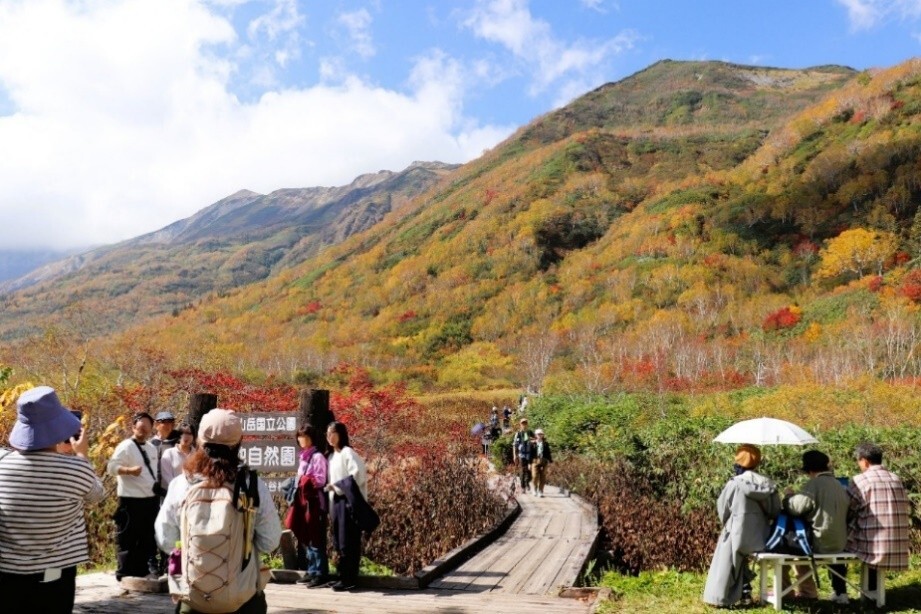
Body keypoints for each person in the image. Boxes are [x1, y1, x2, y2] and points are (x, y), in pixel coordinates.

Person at [155, 408, 281, 614]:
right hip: (242, 598)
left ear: (199, 441)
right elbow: (270, 541)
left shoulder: (182, 483)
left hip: (193, 597)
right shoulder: (251, 485)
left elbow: (165, 538)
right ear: (238, 444)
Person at [0, 386, 104, 613]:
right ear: (58, 427)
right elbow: (97, 495)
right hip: (54, 576)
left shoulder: (2, 464)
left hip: (6, 576)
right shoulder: (77, 469)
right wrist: (82, 456)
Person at [703, 444, 781, 608]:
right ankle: (745, 591)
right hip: (763, 538)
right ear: (757, 462)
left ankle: (724, 597)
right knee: (738, 551)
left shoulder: (735, 483)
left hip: (737, 536)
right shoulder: (769, 484)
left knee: (726, 555)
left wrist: (728, 525)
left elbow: (723, 509)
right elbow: (775, 511)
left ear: (738, 461)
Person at [783, 450, 850, 603]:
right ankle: (840, 593)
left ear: (809, 469)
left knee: (790, 545)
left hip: (820, 543)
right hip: (841, 543)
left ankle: (798, 592)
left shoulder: (814, 484)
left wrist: (788, 496)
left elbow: (796, 508)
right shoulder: (839, 485)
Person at [845, 443, 911, 595]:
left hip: (873, 546)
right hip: (898, 546)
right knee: (869, 526)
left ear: (865, 461)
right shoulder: (896, 479)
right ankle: (872, 590)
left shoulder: (860, 480)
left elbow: (848, 509)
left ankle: (840, 592)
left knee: (839, 539)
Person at [107, 411, 161, 581]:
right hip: (130, 500)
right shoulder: (126, 446)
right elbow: (111, 468)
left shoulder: (152, 448)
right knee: (127, 537)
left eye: (147, 428)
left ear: (151, 429)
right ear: (133, 427)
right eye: (140, 427)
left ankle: (141, 571)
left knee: (146, 537)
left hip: (150, 500)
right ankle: (124, 573)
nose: (143, 430)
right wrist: (128, 470)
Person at [325, 421, 374, 592]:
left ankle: (349, 578)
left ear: (341, 434)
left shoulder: (348, 453)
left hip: (348, 502)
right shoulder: (332, 456)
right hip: (336, 502)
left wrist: (337, 486)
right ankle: (342, 576)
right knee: (338, 540)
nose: (329, 437)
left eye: (333, 433)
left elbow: (358, 476)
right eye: (327, 434)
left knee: (348, 540)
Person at [289, 423, 329, 588]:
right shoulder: (304, 456)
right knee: (307, 536)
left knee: (315, 537)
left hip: (314, 502)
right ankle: (312, 571)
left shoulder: (317, 457)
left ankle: (320, 574)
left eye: (304, 436)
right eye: (299, 436)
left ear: (311, 438)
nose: (301, 439)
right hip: (304, 502)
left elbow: (320, 480)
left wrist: (305, 480)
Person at [160, 422, 196, 488]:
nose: (185, 436)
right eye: (182, 433)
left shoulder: (197, 455)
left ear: (193, 437)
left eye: (189, 433)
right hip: (173, 491)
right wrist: (179, 488)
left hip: (193, 491)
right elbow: (166, 476)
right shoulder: (169, 453)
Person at [512, 418, 534, 493]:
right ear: (520, 424)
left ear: (527, 424)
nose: (524, 425)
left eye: (525, 423)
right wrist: (514, 455)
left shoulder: (530, 432)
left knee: (529, 470)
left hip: (529, 454)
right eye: (523, 423)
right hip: (521, 454)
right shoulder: (518, 433)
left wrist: (532, 440)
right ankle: (523, 486)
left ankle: (527, 483)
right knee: (522, 470)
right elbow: (514, 445)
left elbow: (535, 440)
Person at [530, 429, 553, 497]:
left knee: (543, 476)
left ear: (543, 435)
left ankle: (540, 491)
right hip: (535, 461)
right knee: (534, 476)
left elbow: (548, 453)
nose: (540, 435)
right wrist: (529, 463)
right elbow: (530, 454)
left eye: (541, 434)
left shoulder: (545, 443)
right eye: (538, 434)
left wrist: (550, 461)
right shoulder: (532, 443)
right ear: (536, 435)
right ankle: (535, 489)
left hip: (544, 461)